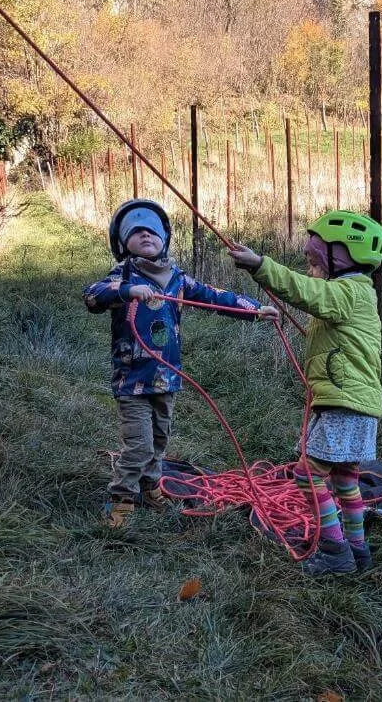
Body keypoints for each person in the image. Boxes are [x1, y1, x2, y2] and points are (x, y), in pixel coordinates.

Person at [84, 198, 279, 528]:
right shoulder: (123, 276)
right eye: (136, 232)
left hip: (167, 379)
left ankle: (149, 488)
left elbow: (216, 297)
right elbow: (93, 296)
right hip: (132, 381)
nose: (145, 235)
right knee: (138, 445)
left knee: (159, 440)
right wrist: (129, 291)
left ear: (165, 239)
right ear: (122, 243)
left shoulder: (177, 279)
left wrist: (254, 310)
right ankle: (121, 497)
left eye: (152, 231)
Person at [228, 209, 382, 575]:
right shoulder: (355, 295)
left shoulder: (349, 291)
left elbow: (307, 292)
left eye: (315, 262)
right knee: (345, 478)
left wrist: (259, 265)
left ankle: (334, 551)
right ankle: (357, 550)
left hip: (345, 404)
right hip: (356, 404)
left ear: (341, 257)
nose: (312, 270)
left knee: (307, 474)